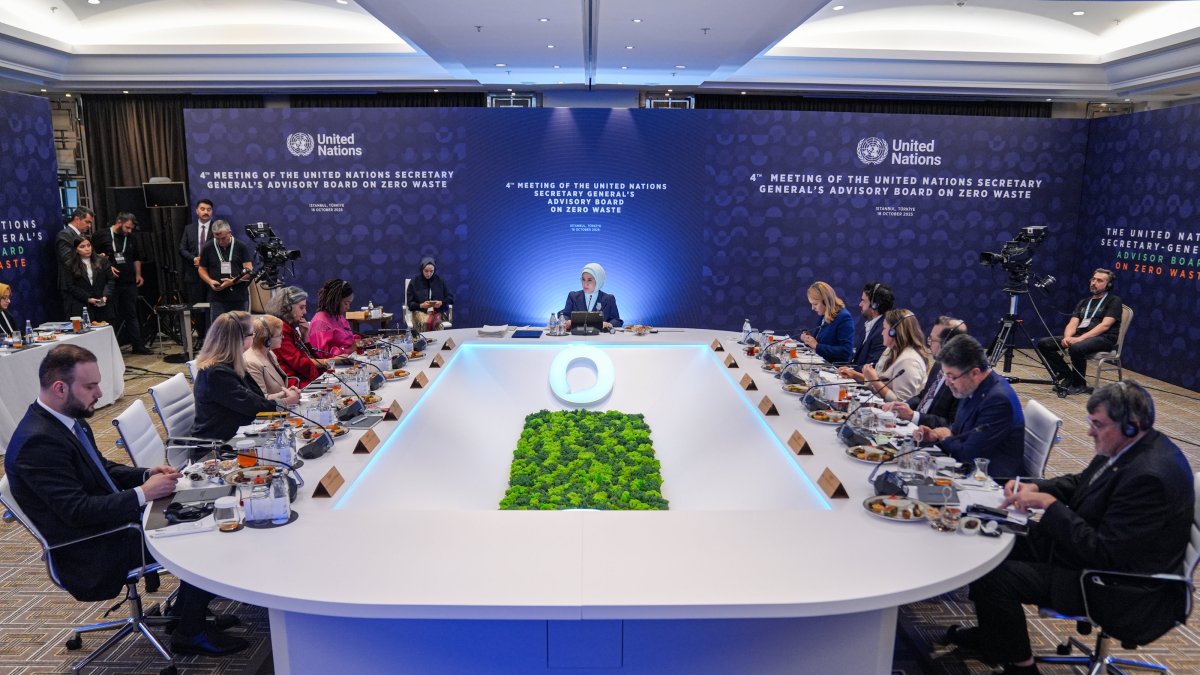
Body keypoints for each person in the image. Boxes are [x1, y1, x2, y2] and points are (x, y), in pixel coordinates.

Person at [3, 344, 248, 655]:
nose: (99, 393)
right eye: (90, 386)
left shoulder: (66, 418)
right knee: (204, 533)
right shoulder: (37, 443)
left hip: (114, 522)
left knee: (208, 505)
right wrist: (143, 494)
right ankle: (190, 631)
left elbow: (100, 468)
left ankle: (185, 614)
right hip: (91, 545)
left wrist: (145, 475)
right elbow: (77, 512)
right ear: (60, 388)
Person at [948, 381, 1193, 675]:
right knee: (993, 536)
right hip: (1088, 552)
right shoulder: (1128, 445)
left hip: (1116, 584)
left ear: (1131, 425)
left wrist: (1050, 506)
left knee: (996, 577)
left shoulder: (1149, 477)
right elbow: (1082, 483)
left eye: (1098, 424)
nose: (1089, 432)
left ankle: (1022, 668)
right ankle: (994, 636)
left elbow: (1104, 552)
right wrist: (1034, 485)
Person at [914, 334, 1025, 478]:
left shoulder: (998, 401)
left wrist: (945, 438)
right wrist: (934, 435)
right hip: (967, 468)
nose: (947, 383)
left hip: (991, 481)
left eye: (951, 377)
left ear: (974, 373)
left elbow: (969, 454)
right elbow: (958, 431)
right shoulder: (972, 386)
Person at [193, 312, 299, 441]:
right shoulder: (217, 374)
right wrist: (286, 402)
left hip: (238, 434)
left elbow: (255, 397)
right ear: (239, 339)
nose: (254, 337)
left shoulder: (230, 364)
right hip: (220, 446)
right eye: (251, 334)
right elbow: (253, 408)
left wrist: (281, 396)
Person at [1035, 268, 1122, 396]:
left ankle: (1079, 384)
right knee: (1044, 344)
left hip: (1104, 338)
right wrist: (1067, 337)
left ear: (1108, 285)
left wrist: (1080, 339)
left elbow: (1105, 325)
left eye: (1099, 281)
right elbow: (1073, 323)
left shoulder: (1114, 301)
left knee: (1076, 347)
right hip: (1081, 336)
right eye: (1093, 279)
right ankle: (1067, 376)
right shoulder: (1084, 302)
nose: (1094, 283)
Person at [882, 316, 967, 428]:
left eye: (932, 340)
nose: (929, 344)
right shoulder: (938, 365)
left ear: (947, 344)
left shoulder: (963, 378)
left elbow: (952, 425)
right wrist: (904, 405)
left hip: (931, 438)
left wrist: (914, 416)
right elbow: (923, 395)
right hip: (912, 427)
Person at [838, 309, 929, 402]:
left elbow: (901, 402)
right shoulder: (891, 350)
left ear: (893, 332)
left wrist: (873, 380)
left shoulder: (909, 361)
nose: (882, 333)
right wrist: (854, 375)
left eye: (884, 329)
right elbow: (881, 383)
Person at [92, 212, 150, 354]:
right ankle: (111, 348)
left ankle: (138, 346)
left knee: (131, 314)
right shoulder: (101, 235)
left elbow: (136, 257)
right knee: (111, 316)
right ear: (118, 221)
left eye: (131, 228)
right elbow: (92, 255)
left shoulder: (131, 238)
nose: (129, 231)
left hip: (129, 282)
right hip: (110, 283)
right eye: (127, 227)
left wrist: (138, 274)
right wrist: (105, 264)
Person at [266, 286, 330, 387]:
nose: (305, 312)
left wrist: (305, 337)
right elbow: (299, 362)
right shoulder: (280, 328)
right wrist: (329, 362)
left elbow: (306, 356)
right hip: (297, 383)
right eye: (301, 307)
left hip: (303, 377)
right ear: (288, 307)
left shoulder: (288, 326)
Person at [196, 220, 254, 325]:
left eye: (223, 238)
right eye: (217, 238)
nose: (220, 241)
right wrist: (210, 281)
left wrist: (232, 282)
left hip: (239, 297)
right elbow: (201, 269)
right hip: (217, 298)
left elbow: (249, 271)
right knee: (219, 331)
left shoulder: (241, 246)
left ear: (230, 232)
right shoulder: (208, 247)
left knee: (241, 330)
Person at [178, 199, 215, 339]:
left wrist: (204, 262)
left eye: (209, 209)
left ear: (212, 212)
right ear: (197, 211)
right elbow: (182, 249)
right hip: (193, 276)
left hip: (212, 275)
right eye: (203, 209)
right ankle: (201, 337)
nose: (206, 212)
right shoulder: (189, 229)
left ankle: (214, 337)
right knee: (198, 308)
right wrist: (194, 259)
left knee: (213, 307)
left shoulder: (216, 228)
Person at [798, 281, 854, 363]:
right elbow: (818, 343)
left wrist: (817, 346)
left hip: (834, 369)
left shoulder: (844, 317)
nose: (812, 308)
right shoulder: (824, 315)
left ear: (826, 302)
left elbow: (846, 351)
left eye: (815, 304)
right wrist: (809, 340)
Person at [309, 279, 364, 356]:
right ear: (336, 300)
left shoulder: (338, 316)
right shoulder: (320, 322)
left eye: (349, 303)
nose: (348, 307)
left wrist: (359, 342)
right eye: (346, 303)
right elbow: (323, 354)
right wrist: (350, 350)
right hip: (333, 366)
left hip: (348, 360)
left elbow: (346, 339)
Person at [65, 237, 114, 323]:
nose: (87, 249)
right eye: (82, 246)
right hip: (82, 304)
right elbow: (71, 286)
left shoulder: (102, 261)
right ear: (76, 250)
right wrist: (87, 298)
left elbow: (110, 281)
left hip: (102, 303)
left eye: (88, 245)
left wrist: (105, 296)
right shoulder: (70, 264)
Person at [56, 207, 94, 319]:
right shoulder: (64, 235)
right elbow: (68, 261)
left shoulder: (81, 236)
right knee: (76, 324)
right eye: (87, 222)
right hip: (71, 286)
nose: (89, 226)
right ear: (77, 219)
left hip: (85, 285)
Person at [561, 263, 622, 330]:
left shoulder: (609, 299)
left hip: (601, 337)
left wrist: (609, 324)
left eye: (589, 280)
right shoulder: (573, 296)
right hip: (577, 337)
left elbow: (617, 320)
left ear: (598, 280)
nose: (585, 284)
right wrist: (566, 322)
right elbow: (565, 315)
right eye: (583, 279)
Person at [245, 314, 294, 398]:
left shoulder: (270, 353)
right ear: (266, 339)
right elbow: (261, 398)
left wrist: (290, 391)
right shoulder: (251, 362)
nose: (282, 337)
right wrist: (286, 394)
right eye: (279, 335)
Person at [851, 282, 893, 370]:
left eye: (863, 300)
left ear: (874, 305)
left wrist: (851, 372)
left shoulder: (882, 332)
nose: (860, 304)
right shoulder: (870, 325)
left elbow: (872, 367)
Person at [407, 257, 455, 332]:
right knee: (426, 322)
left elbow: (450, 298)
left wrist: (441, 302)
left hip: (437, 312)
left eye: (431, 271)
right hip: (419, 312)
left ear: (434, 270)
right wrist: (421, 305)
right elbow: (410, 304)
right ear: (421, 269)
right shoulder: (414, 282)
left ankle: (437, 343)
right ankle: (423, 342)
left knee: (436, 323)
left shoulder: (440, 281)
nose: (428, 274)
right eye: (426, 271)